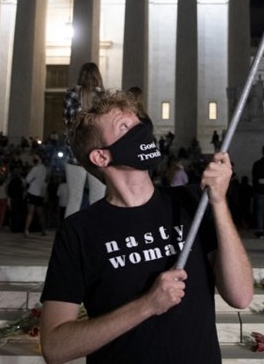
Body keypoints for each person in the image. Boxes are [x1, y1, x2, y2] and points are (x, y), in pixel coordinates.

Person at [38, 90, 252, 363]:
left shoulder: (192, 202)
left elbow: (241, 296)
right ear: (101, 157)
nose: (140, 131)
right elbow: (55, 347)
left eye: (138, 124)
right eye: (125, 127)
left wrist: (219, 203)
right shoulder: (79, 231)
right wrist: (146, 306)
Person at [63, 62, 106, 217]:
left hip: (75, 153)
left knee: (74, 198)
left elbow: (68, 121)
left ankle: (69, 238)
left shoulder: (71, 94)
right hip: (98, 153)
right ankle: (97, 237)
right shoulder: (104, 97)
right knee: (98, 199)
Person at [24, 154, 48, 237]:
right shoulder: (44, 168)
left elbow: (27, 179)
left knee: (30, 213)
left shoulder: (35, 168)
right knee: (40, 213)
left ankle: (26, 230)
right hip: (40, 193)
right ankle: (43, 230)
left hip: (33, 192)